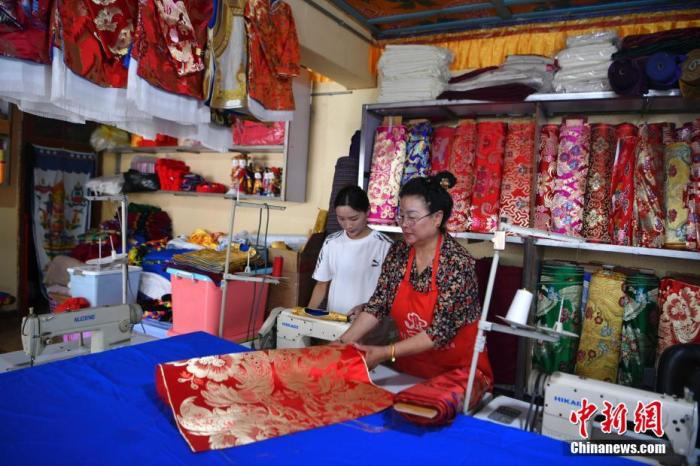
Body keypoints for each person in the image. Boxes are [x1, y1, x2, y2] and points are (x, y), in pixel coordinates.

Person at [338, 172, 493, 400]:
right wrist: (342, 343)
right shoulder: (399, 253)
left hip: (457, 373)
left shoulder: (457, 263)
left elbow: (439, 333)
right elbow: (378, 305)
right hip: (410, 369)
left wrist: (384, 352)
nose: (404, 225)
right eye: (401, 216)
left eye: (412, 217)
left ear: (437, 218)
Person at [308, 185, 393, 317]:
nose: (348, 225)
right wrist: (306, 316)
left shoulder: (385, 245)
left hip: (368, 323)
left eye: (354, 219)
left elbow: (392, 293)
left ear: (367, 211)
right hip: (335, 320)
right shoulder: (331, 242)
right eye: (341, 219)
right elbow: (321, 284)